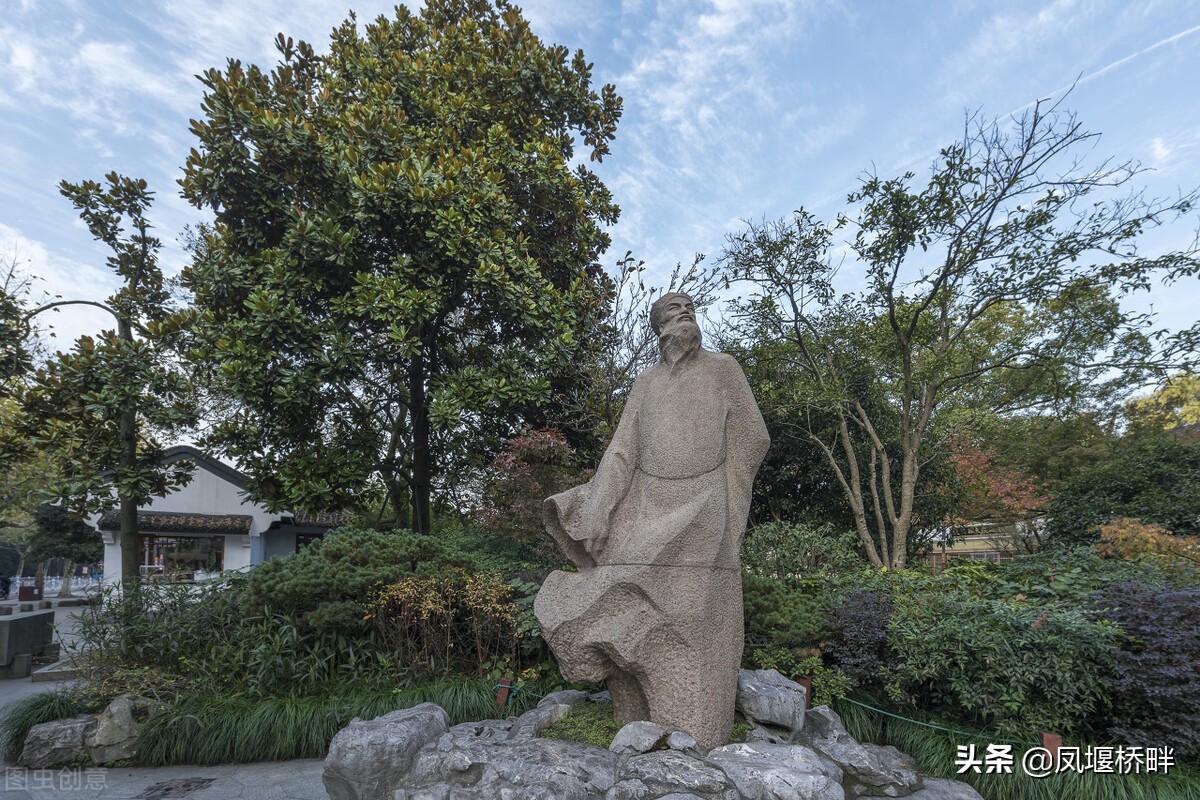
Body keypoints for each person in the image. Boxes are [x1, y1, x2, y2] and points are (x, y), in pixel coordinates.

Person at [534, 292, 770, 749]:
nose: (683, 314)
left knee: (691, 609)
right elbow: (622, 450)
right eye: (671, 311)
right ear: (656, 326)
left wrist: (729, 498)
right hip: (647, 502)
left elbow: (751, 436)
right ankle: (631, 704)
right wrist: (600, 510)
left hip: (705, 502)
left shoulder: (724, 369)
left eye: (690, 309)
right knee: (613, 586)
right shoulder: (645, 383)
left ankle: (693, 726)